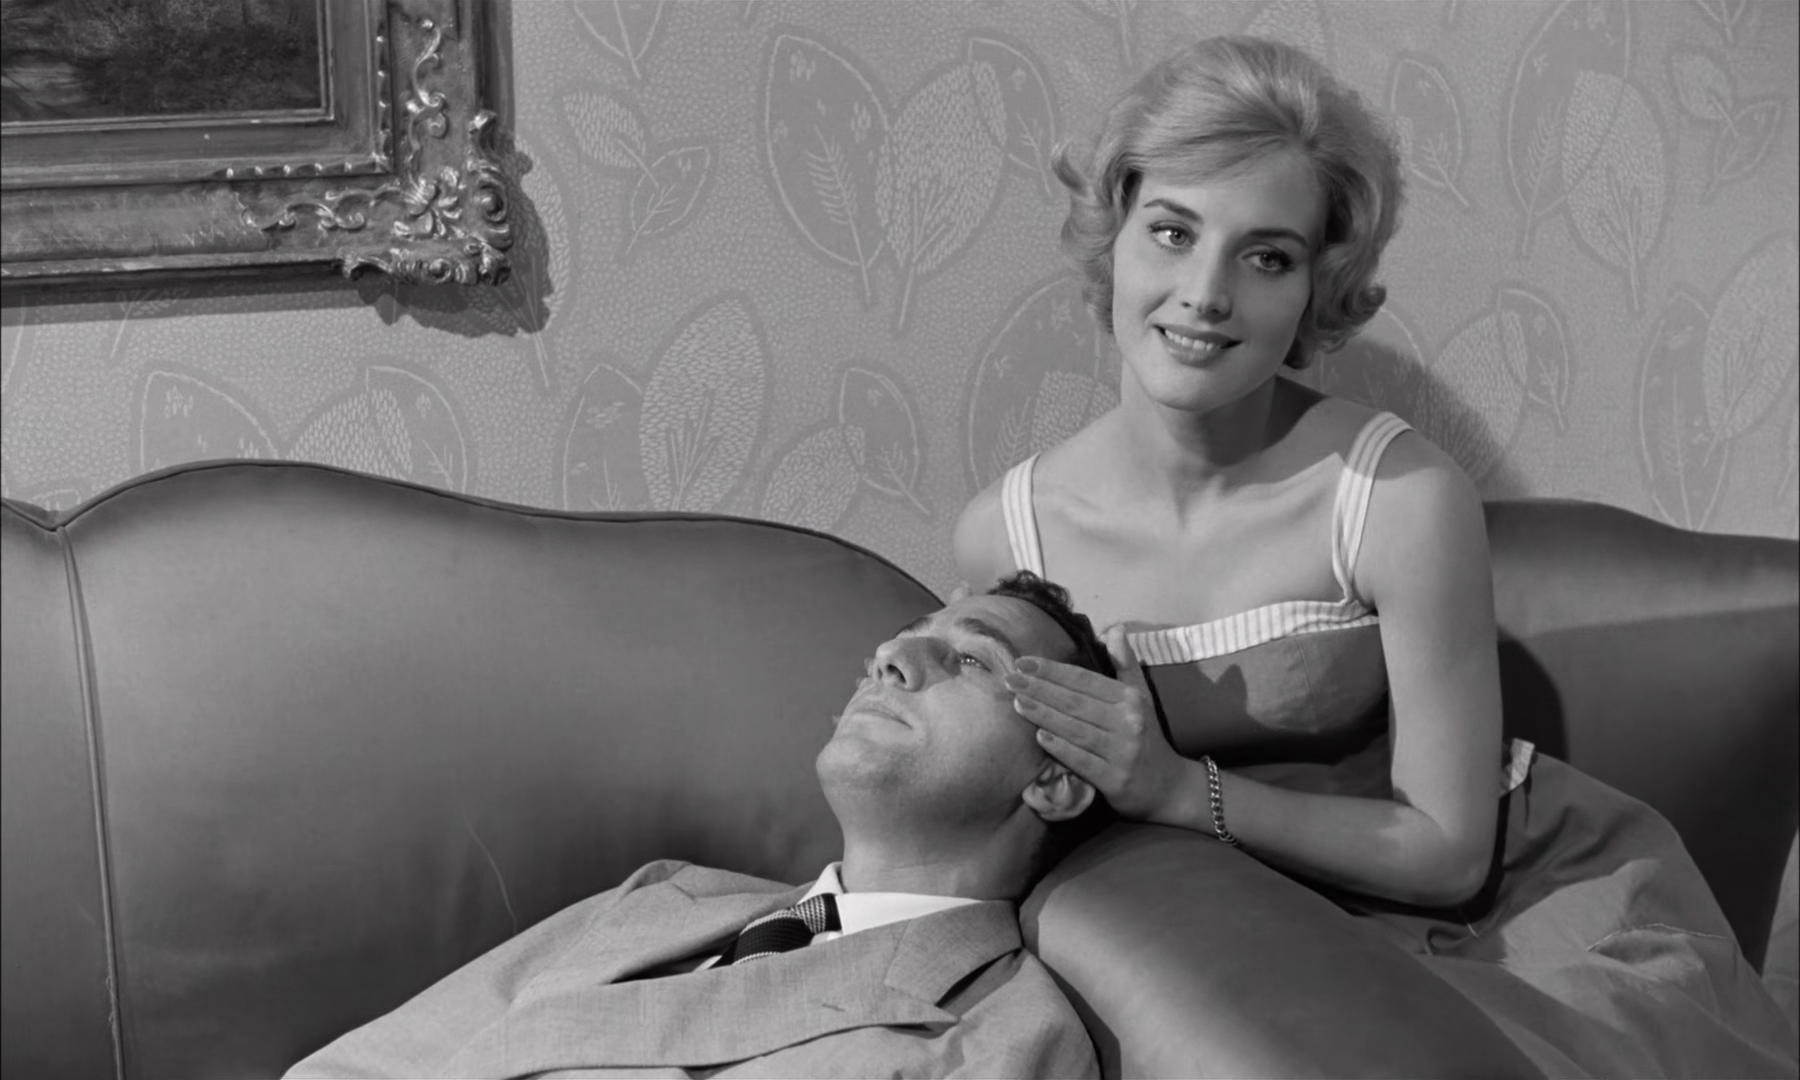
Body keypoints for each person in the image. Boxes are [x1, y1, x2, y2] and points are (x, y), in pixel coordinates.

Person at [954, 35, 1797, 1077]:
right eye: (1172, 232)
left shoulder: (1397, 497)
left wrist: (1178, 793)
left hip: (1490, 931)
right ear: (1113, 237)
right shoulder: (1005, 534)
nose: (1206, 293)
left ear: (1320, 285)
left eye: (1267, 257)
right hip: (1207, 938)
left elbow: (1449, 855)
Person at [286, 572, 1107, 1079]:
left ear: (1056, 779)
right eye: (906, 637)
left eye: (972, 659)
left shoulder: (1005, 1043)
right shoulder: (660, 899)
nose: (892, 657)